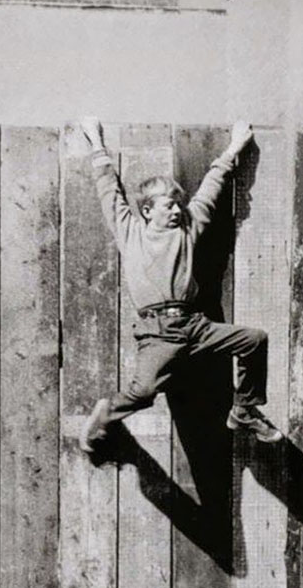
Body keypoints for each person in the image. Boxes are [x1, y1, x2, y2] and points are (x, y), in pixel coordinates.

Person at [78, 117, 282, 454]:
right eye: (169, 205)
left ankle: (244, 410)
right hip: (159, 332)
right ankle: (106, 414)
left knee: (254, 339)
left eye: (178, 204)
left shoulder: (188, 228)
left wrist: (235, 146)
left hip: (196, 326)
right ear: (147, 210)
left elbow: (211, 187)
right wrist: (95, 141)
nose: (176, 210)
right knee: (143, 392)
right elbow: (108, 190)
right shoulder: (130, 232)